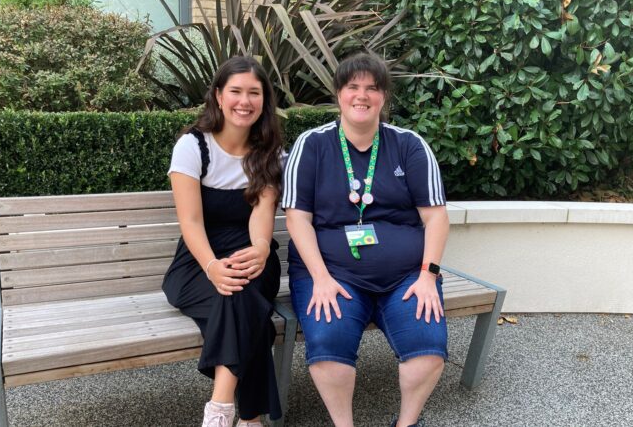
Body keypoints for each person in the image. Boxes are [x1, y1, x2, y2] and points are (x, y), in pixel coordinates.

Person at [282, 52, 450, 427]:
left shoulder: (410, 145)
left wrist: (428, 275)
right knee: (328, 348)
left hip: (407, 277)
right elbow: (297, 218)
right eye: (353, 86)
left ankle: (406, 424)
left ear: (384, 97)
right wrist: (321, 279)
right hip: (330, 275)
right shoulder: (311, 145)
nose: (362, 95)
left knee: (427, 350)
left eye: (372, 88)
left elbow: (436, 216)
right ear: (338, 94)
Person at [162, 56, 283, 427]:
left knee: (242, 287)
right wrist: (213, 267)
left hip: (252, 252)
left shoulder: (270, 152)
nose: (244, 101)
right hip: (199, 261)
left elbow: (262, 214)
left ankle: (219, 410)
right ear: (218, 95)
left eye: (254, 93)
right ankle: (249, 418)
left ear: (264, 101)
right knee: (249, 308)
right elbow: (191, 221)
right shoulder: (192, 146)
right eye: (235, 91)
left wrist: (262, 247)